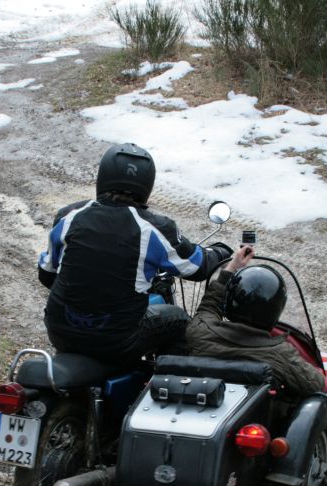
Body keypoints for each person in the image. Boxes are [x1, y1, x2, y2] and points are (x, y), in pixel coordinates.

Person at [38, 143, 231, 364]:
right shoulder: (154, 227)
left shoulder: (69, 215)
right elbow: (198, 267)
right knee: (178, 320)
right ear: (147, 184)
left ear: (103, 176)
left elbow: (47, 275)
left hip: (60, 332)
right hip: (117, 341)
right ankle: (166, 381)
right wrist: (221, 252)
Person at [186, 245, 327, 401]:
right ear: (276, 310)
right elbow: (321, 386)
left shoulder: (200, 331)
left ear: (230, 302)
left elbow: (209, 304)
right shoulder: (281, 355)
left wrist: (232, 267)